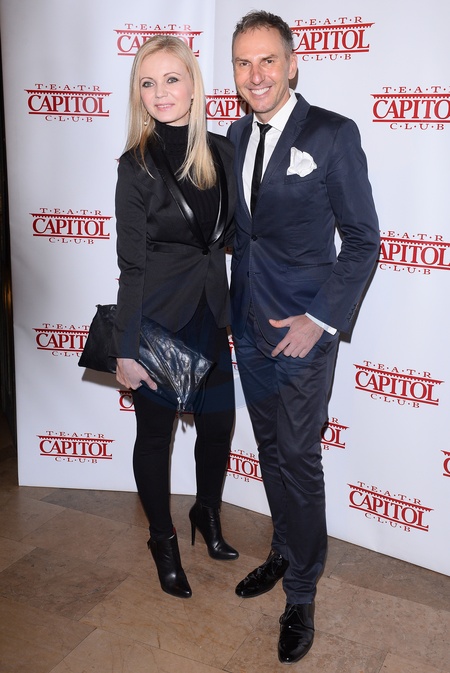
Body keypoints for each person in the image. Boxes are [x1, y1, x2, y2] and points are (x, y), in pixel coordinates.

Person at [228, 11, 379, 663]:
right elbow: (244, 234)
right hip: (248, 325)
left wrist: (319, 320)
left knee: (298, 454)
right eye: (243, 62)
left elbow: (364, 240)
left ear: (292, 64)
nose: (256, 74)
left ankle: (302, 592)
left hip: (302, 333)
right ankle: (284, 549)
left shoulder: (332, 133)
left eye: (268, 60)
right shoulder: (235, 134)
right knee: (270, 448)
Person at [110, 35, 238, 600]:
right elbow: (131, 265)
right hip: (157, 321)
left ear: (192, 85)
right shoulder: (136, 165)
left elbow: (234, 235)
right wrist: (125, 347)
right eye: (148, 82)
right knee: (154, 436)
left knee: (218, 427)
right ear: (138, 94)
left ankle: (205, 512)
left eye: (171, 79)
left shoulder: (222, 152)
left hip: (211, 312)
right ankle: (162, 540)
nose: (160, 93)